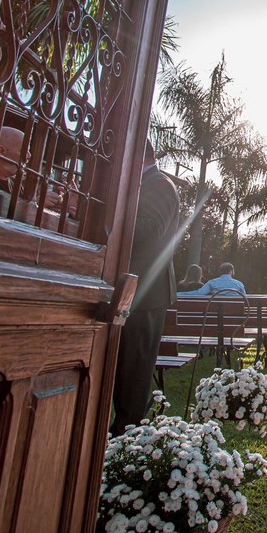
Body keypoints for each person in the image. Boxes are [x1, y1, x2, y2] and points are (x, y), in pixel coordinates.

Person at [111, 139, 180, 434]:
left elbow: (149, 229)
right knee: (120, 366)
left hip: (147, 291)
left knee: (135, 370)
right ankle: (119, 428)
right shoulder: (141, 184)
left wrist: (109, 219)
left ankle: (129, 432)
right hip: (129, 290)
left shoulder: (159, 185)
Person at [178, 262, 246, 298]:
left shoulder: (212, 283)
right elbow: (245, 298)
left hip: (216, 313)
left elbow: (199, 293)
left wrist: (178, 294)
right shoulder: (239, 284)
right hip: (235, 313)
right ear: (231, 271)